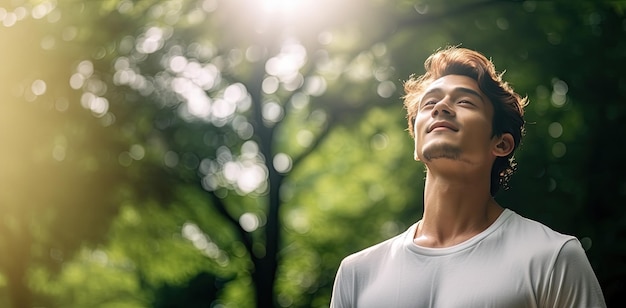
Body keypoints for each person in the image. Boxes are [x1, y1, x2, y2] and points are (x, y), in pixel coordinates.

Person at [330, 46, 606, 308]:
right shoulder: (357, 273)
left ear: (501, 144)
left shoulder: (552, 257)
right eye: (430, 103)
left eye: (464, 101)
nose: (441, 108)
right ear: (416, 142)